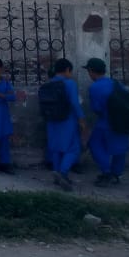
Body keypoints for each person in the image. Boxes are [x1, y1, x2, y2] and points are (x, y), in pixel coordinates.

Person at [85, 57, 129, 187]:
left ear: (91, 71)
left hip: (106, 121)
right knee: (119, 148)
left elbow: (96, 108)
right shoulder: (116, 83)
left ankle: (107, 172)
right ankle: (117, 174)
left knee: (95, 144)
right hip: (122, 121)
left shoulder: (95, 87)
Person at [44, 58, 84, 192]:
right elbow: (74, 103)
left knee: (56, 148)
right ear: (67, 70)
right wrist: (81, 119)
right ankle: (63, 173)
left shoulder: (49, 83)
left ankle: (56, 174)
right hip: (67, 120)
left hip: (52, 120)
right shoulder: (69, 83)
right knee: (73, 148)